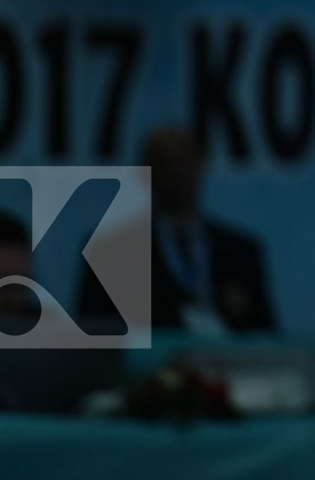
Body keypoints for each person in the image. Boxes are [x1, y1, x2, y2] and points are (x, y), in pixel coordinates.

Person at [77, 125, 277, 334]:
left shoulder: (242, 252)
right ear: (145, 172)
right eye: (165, 163)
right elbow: (93, 340)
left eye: (186, 161)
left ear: (201, 165)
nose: (178, 173)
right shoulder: (109, 253)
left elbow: (266, 337)